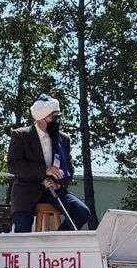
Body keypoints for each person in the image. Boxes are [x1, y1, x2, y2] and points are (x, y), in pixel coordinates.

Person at [7, 95, 91, 233]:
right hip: (26, 191)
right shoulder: (21, 135)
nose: (57, 121)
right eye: (53, 117)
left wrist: (59, 183)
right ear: (41, 117)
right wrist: (45, 170)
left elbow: (69, 169)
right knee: (22, 233)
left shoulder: (63, 139)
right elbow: (14, 165)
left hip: (53, 190)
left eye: (59, 117)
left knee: (82, 212)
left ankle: (55, 243)